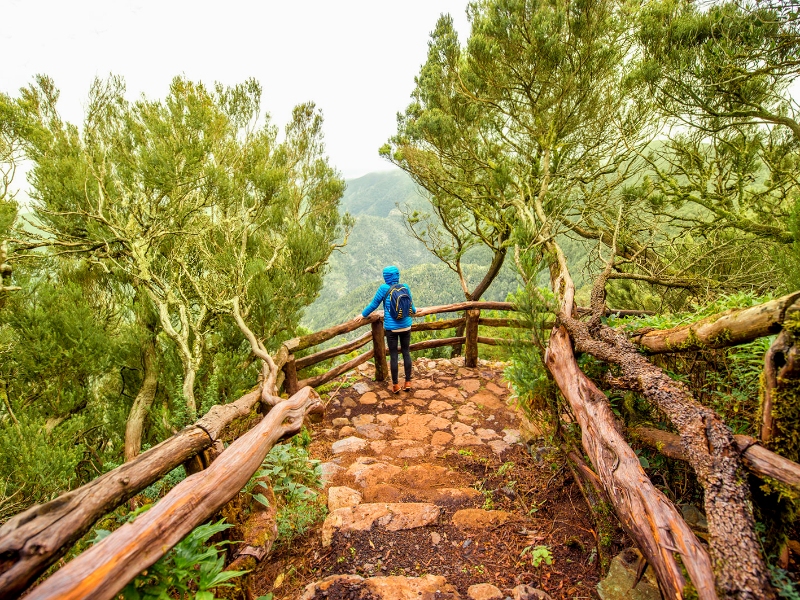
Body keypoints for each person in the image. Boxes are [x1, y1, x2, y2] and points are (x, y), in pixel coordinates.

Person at [355, 266, 416, 394]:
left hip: (392, 329)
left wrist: (363, 315)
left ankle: (395, 385)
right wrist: (416, 311)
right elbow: (410, 305)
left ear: (385, 277)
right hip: (406, 326)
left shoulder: (383, 289)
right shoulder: (404, 286)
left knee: (394, 355)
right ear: (397, 275)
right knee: (406, 353)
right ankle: (408, 382)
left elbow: (373, 305)